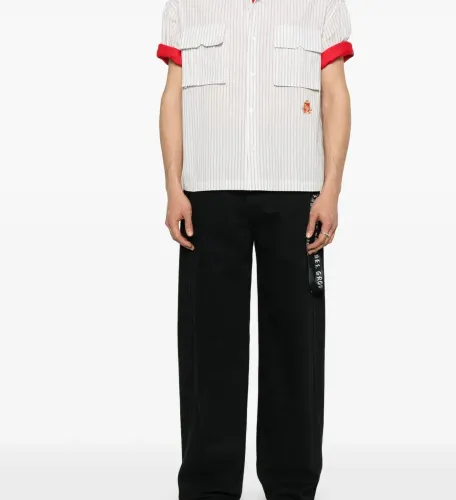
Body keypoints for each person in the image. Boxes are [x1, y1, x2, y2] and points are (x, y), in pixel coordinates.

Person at [157, 1, 353, 499]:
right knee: (209, 348)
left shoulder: (321, 4)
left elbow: (334, 92)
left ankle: (291, 487)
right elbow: (173, 93)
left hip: (296, 193)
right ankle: (208, 488)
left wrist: (331, 189)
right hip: (207, 193)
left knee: (295, 347)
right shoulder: (186, 3)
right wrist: (173, 186)